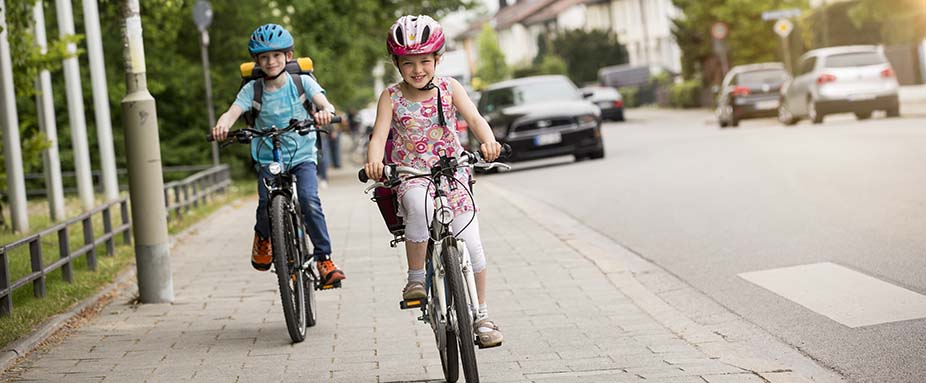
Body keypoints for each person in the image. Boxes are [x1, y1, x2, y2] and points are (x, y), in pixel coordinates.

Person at [363, 15, 503, 348]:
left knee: (472, 245)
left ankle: (481, 315)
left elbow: (474, 117)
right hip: (412, 174)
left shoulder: (449, 87)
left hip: (453, 172)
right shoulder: (391, 97)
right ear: (397, 63)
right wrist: (374, 162)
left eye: (425, 60)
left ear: (437, 59)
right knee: (417, 206)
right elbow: (379, 134)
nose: (417, 69)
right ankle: (415, 279)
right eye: (408, 63)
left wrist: (488, 142)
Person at [211, 23, 345, 285]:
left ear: (288, 56)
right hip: (268, 157)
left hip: (302, 155)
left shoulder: (301, 82)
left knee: (309, 201)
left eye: (276, 55)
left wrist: (325, 112)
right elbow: (233, 112)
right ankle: (263, 237)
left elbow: (323, 102)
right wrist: (223, 125)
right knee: (265, 205)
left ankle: (323, 259)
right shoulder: (253, 90)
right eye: (264, 57)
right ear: (256, 61)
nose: (270, 61)